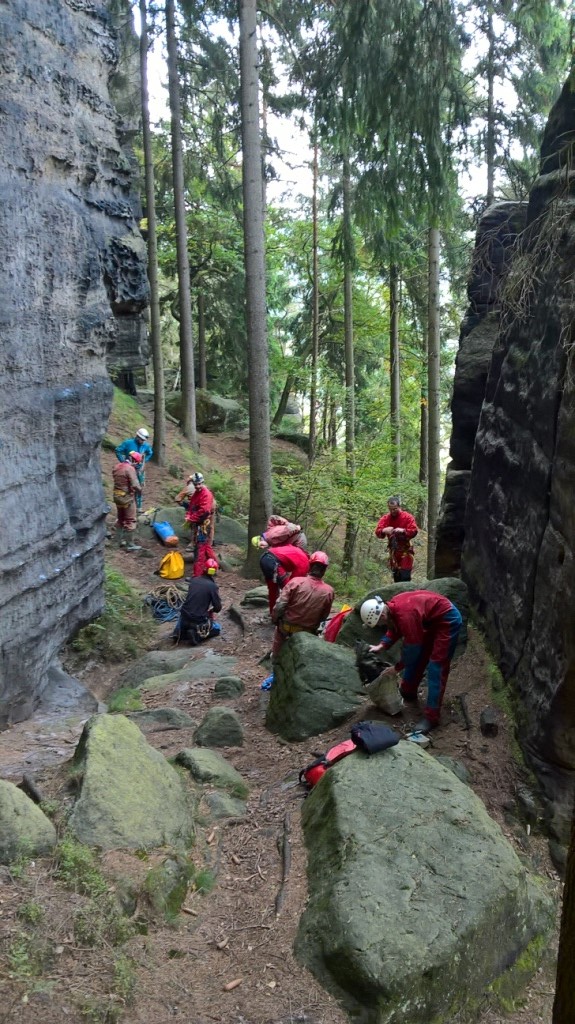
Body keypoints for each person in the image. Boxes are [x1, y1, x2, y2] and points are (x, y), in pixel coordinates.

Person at [360, 590, 462, 734]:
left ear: (382, 615)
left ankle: (432, 717)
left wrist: (396, 668)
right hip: (429, 620)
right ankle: (408, 690)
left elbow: (413, 647)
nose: (381, 626)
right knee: (419, 658)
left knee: (436, 667)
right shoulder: (392, 608)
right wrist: (383, 644)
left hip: (447, 620)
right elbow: (395, 626)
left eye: (380, 623)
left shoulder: (405, 614)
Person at [270, 551, 334, 658]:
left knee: (278, 639)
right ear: (324, 570)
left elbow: (280, 605)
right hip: (308, 632)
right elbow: (324, 615)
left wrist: (275, 619)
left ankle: (275, 658)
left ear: (310, 566)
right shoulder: (329, 591)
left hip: (286, 627)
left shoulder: (296, 582)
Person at [252, 537, 310, 614]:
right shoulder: (305, 563)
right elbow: (293, 584)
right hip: (273, 562)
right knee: (289, 590)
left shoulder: (297, 551)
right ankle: (288, 615)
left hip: (265, 558)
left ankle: (272, 613)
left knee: (273, 590)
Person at [175, 557, 222, 646]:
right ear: (214, 572)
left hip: (184, 615)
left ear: (204, 568)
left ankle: (178, 632)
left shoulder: (194, 580)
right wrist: (211, 610)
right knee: (218, 628)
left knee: (184, 615)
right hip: (198, 619)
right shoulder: (213, 587)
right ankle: (196, 635)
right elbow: (218, 607)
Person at [375, 495, 418, 582]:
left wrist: (403, 530)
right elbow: (378, 532)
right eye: (390, 509)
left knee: (405, 575)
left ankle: (406, 593)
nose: (393, 511)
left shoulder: (407, 517)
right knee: (396, 576)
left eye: (395, 509)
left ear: (399, 507)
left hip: (405, 550)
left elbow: (414, 531)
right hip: (394, 552)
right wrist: (384, 530)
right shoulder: (386, 518)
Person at [184, 472, 217, 577]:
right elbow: (192, 506)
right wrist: (188, 515)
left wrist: (192, 518)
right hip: (198, 523)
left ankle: (197, 575)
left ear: (203, 482)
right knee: (206, 546)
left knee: (200, 549)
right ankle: (214, 565)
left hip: (203, 525)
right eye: (196, 484)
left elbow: (204, 511)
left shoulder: (206, 494)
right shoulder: (196, 494)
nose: (197, 486)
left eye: (199, 484)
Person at [115, 428, 153, 511]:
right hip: (129, 469)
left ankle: (139, 506)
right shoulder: (128, 443)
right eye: (141, 439)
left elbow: (150, 453)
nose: (143, 441)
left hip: (140, 470)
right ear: (137, 437)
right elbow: (118, 451)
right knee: (129, 486)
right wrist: (123, 462)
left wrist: (144, 460)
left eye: (144, 440)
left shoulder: (145, 445)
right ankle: (127, 505)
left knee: (139, 487)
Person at [112, 451, 143, 531]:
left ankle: (117, 537)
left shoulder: (117, 466)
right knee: (130, 521)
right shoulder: (130, 469)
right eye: (137, 463)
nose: (136, 465)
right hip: (127, 497)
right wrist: (140, 491)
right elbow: (135, 485)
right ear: (134, 461)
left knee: (120, 518)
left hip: (116, 495)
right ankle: (128, 540)